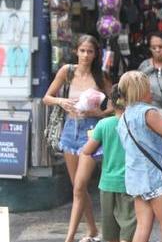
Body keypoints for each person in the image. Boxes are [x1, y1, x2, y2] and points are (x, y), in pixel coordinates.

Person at [43, 35, 111, 242]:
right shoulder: (67, 71)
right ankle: (91, 230)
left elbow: (116, 104)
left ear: (96, 54)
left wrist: (98, 114)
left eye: (90, 51)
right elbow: (46, 98)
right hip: (70, 130)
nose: (86, 55)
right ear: (76, 51)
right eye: (82, 50)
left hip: (91, 133)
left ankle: (70, 237)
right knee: (77, 187)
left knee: (80, 187)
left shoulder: (102, 76)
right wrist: (62, 101)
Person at [116, 71, 162, 242]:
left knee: (143, 225)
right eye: (148, 89)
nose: (151, 92)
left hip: (136, 178)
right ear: (139, 91)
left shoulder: (123, 117)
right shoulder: (148, 113)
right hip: (156, 177)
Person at [80, 85, 136, 242]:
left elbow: (86, 151)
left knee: (110, 235)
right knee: (129, 232)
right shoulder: (136, 123)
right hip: (129, 185)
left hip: (107, 185)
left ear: (111, 102)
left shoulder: (104, 125)